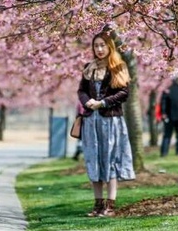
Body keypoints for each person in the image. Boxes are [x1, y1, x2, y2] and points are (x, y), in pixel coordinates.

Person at [77, 30, 135, 218]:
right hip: (91, 121)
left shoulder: (118, 66)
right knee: (93, 159)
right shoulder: (88, 68)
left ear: (110, 47)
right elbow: (82, 90)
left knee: (110, 160)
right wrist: (87, 101)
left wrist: (103, 102)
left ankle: (110, 205)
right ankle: (97, 204)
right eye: (96, 45)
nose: (99, 49)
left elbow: (124, 93)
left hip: (110, 119)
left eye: (103, 45)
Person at [160, 77, 178, 157]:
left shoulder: (167, 90)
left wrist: (164, 113)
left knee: (167, 135)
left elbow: (163, 103)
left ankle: (164, 153)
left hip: (169, 115)